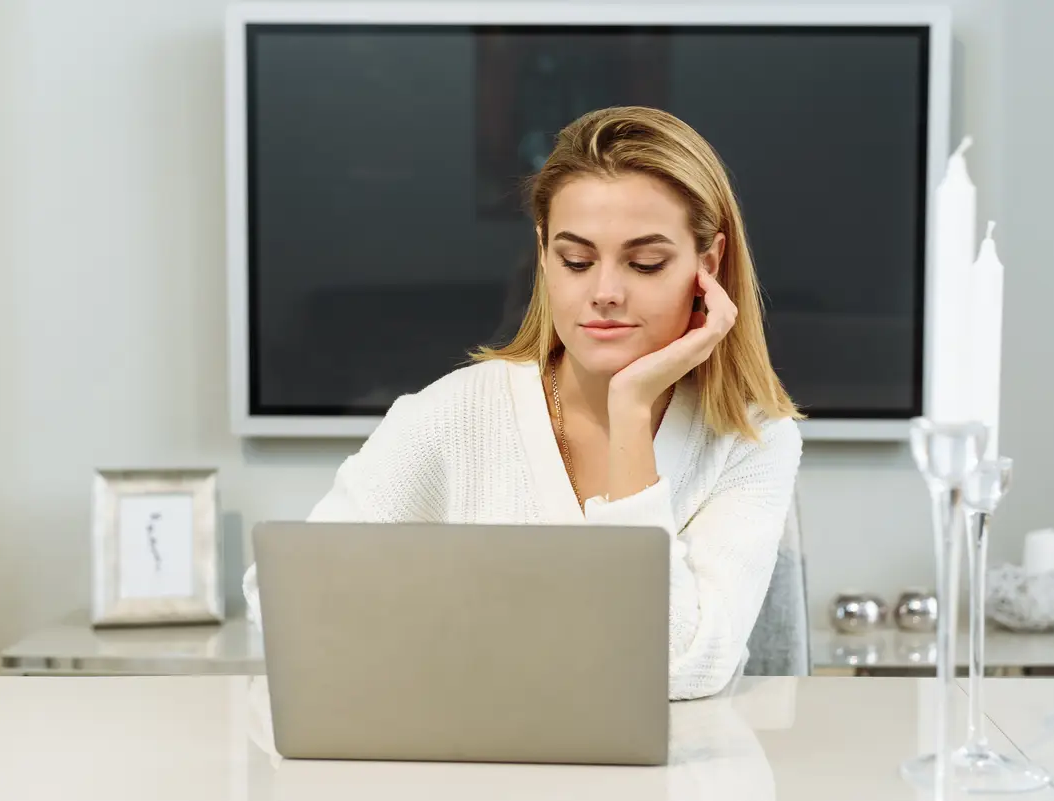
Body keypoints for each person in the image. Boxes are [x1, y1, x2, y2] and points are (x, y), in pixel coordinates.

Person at [243, 106, 805, 701]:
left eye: (645, 263)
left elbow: (678, 670)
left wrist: (630, 413)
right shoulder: (451, 415)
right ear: (543, 253)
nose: (606, 293)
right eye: (576, 261)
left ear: (707, 264)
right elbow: (283, 603)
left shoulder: (753, 437)